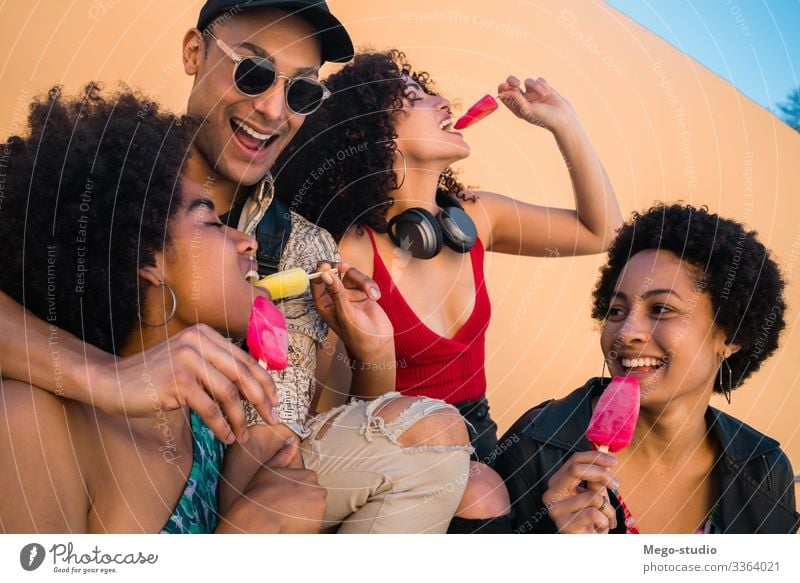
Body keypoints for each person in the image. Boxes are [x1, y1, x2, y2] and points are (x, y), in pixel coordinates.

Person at [1, 2, 475, 533]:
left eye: (301, 92)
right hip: (107, 480)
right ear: (193, 51)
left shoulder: (309, 246)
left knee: (437, 445)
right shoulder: (83, 186)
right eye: (253, 72)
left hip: (241, 486)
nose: (274, 110)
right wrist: (106, 376)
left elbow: (322, 431)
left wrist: (373, 354)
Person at [273, 50, 623, 531]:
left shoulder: (476, 217)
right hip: (395, 439)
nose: (443, 102)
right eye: (414, 98)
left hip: (477, 432)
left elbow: (600, 231)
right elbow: (329, 408)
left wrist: (564, 123)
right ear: (372, 134)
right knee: (483, 493)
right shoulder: (351, 253)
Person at [0, 86, 324, 533]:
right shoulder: (29, 422)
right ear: (148, 259)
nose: (246, 240)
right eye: (210, 222)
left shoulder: (205, 417)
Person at [495, 203, 800, 534]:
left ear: (731, 335)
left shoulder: (765, 470)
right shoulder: (534, 447)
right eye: (616, 310)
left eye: (661, 309)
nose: (626, 332)